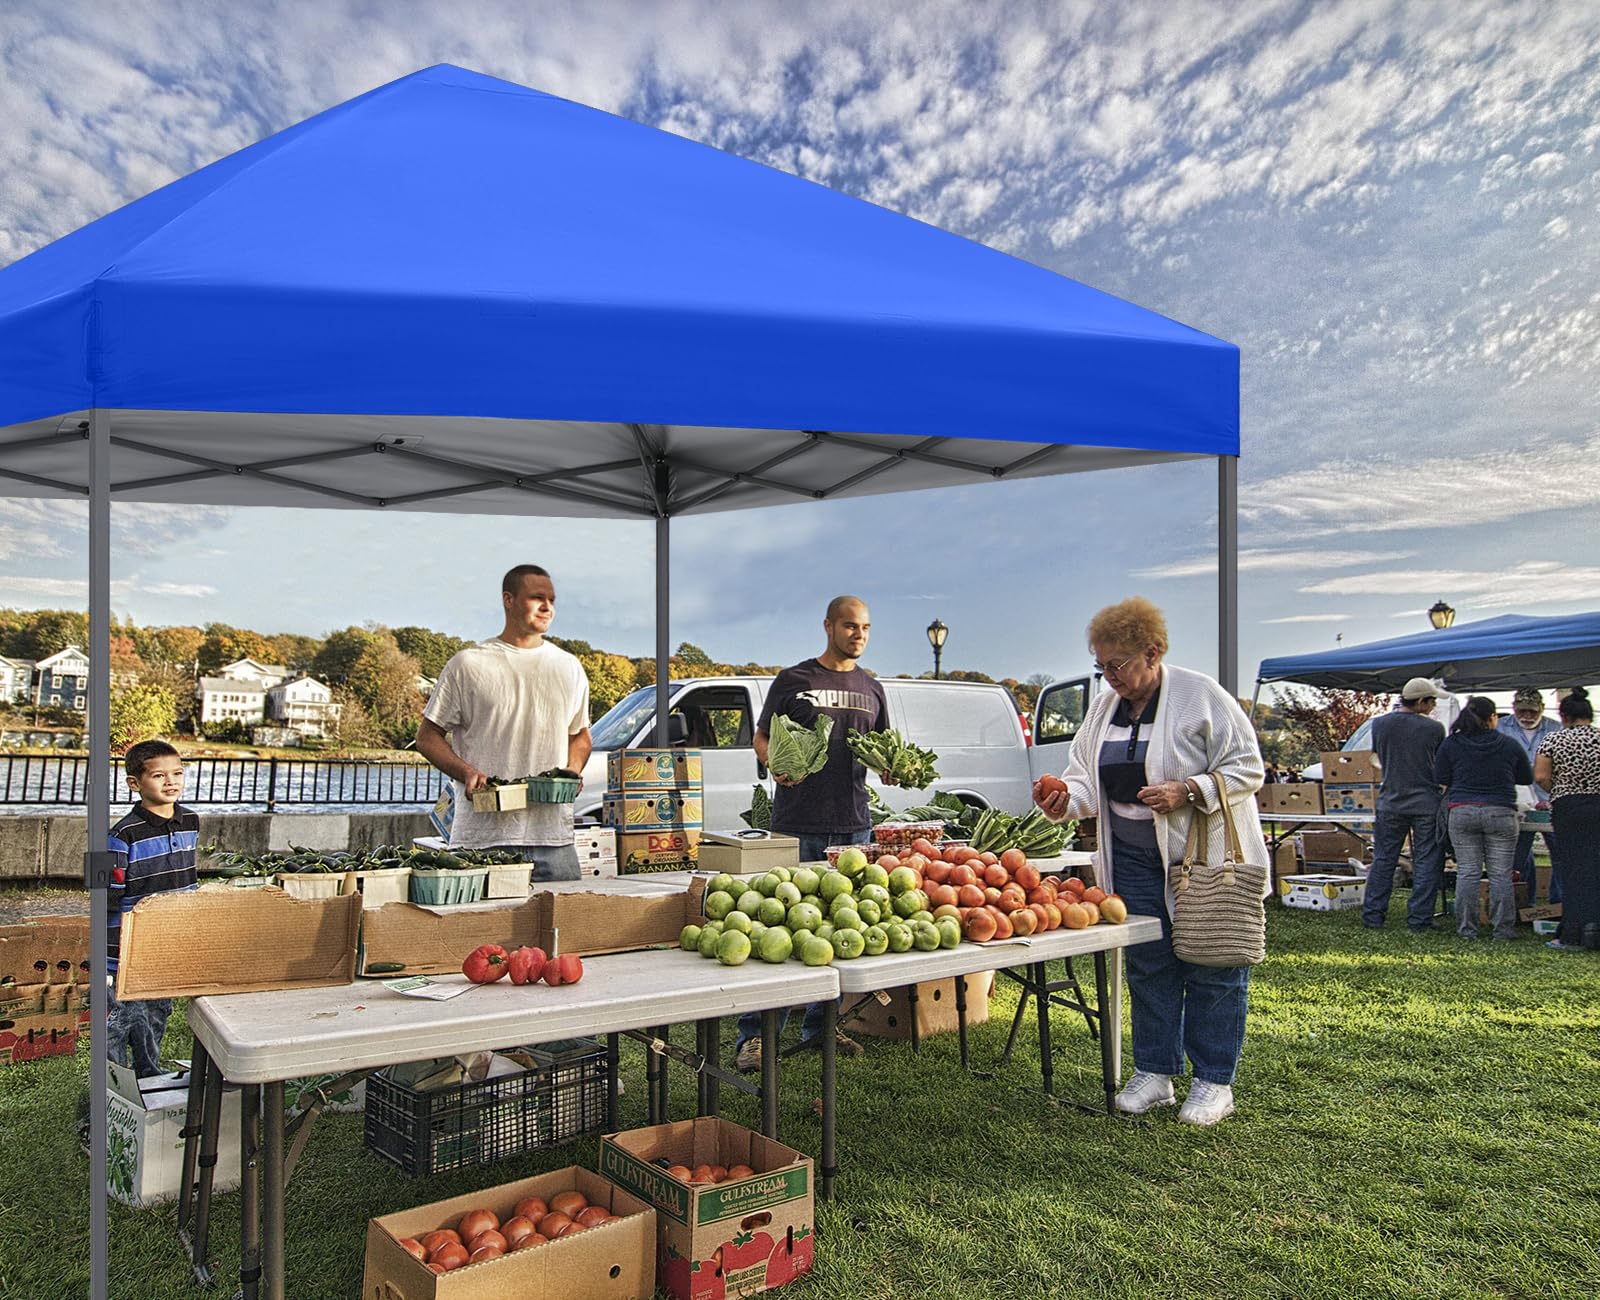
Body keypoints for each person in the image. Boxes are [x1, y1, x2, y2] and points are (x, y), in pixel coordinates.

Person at [1032, 597, 1268, 1126]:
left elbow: (1249, 768)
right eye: (1101, 667)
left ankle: (1213, 1081)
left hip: (1203, 860)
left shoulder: (1200, 695)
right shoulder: (1103, 707)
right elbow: (1085, 781)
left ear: (1153, 653)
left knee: (1213, 962)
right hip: (1134, 862)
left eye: (1117, 665)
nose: (1108, 676)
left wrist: (1190, 789)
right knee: (1148, 963)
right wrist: (1062, 801)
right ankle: (1156, 1072)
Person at [734, 595, 888, 1073]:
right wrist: (773, 763)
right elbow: (761, 736)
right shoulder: (794, 680)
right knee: (777, 927)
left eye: (864, 627)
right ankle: (756, 1037)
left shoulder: (872, 688)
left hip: (853, 824)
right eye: (849, 626)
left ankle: (822, 1027)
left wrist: (894, 768)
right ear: (828, 626)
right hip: (797, 822)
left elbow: (883, 747)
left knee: (840, 927)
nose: (858, 634)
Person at [417, 564, 592, 880]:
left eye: (551, 599)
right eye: (537, 597)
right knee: (481, 931)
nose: (547, 607)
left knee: (568, 929)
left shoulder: (570, 667)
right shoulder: (467, 665)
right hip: (482, 841)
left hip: (553, 839)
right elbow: (427, 737)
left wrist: (573, 769)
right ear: (508, 600)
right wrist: (466, 772)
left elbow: (580, 735)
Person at [107, 739, 199, 1077]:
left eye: (177, 773)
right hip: (125, 949)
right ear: (135, 783)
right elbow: (105, 892)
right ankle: (114, 1086)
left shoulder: (191, 821)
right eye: (159, 776)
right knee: (119, 1019)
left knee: (157, 1012)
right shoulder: (119, 834)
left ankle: (149, 1074)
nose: (171, 782)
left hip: (168, 944)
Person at [1434, 696, 1531, 941]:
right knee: (1500, 874)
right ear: (1492, 718)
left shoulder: (1451, 744)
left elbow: (1441, 776)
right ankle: (1503, 930)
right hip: (1500, 811)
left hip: (1462, 811)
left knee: (1467, 872)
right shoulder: (1508, 744)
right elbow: (1526, 777)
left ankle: (1467, 930)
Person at [1362, 679, 1447, 933]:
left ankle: (1373, 916)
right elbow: (1439, 764)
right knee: (1426, 861)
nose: (1433, 706)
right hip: (1426, 802)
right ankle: (1419, 920)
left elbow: (1378, 756)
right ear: (1421, 701)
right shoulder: (1434, 729)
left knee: (1384, 860)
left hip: (1390, 800)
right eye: (1431, 701)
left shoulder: (1379, 724)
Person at [1535, 688, 1600, 950]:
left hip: (1568, 807)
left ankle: (1572, 933)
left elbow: (1540, 776)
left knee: (1573, 870)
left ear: (1564, 716)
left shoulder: (1553, 740)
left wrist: (1559, 790)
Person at [1498, 688, 1561, 903]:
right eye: (1522, 711)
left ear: (1542, 709)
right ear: (1514, 708)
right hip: (1516, 800)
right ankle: (1524, 903)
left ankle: (1558, 904)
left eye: (1533, 712)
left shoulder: (1555, 728)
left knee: (1559, 852)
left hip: (1550, 797)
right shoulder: (1501, 727)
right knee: (1518, 856)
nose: (1527, 717)